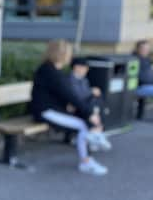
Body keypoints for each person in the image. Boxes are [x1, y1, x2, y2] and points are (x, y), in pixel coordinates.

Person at [30, 40, 110, 176]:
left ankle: (93, 139)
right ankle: (87, 160)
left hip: (53, 109)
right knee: (82, 125)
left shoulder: (53, 70)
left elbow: (66, 95)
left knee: (84, 121)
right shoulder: (50, 72)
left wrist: (85, 112)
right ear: (61, 54)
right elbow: (69, 95)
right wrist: (89, 113)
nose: (70, 56)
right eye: (69, 52)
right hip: (45, 111)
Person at [68, 57, 112, 152]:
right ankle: (95, 137)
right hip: (75, 107)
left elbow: (85, 95)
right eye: (84, 68)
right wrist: (91, 91)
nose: (86, 70)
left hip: (84, 106)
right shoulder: (70, 79)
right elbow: (77, 97)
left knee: (98, 105)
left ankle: (96, 135)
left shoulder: (83, 79)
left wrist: (92, 93)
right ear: (76, 67)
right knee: (94, 108)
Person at [133, 40, 153, 118]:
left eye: (147, 48)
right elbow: (141, 78)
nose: (146, 50)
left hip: (148, 86)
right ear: (138, 49)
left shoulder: (146, 59)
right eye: (143, 48)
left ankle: (140, 114)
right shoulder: (134, 60)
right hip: (139, 87)